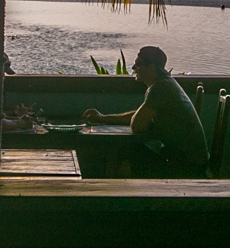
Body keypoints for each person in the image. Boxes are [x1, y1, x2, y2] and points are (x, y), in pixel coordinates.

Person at [83, 45, 208, 177]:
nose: (133, 68)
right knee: (127, 151)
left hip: (186, 165)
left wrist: (144, 122)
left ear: (152, 68)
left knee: (124, 151)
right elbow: (139, 115)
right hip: (189, 159)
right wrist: (103, 118)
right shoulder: (165, 83)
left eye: (138, 64)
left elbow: (136, 125)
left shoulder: (160, 88)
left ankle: (120, 193)